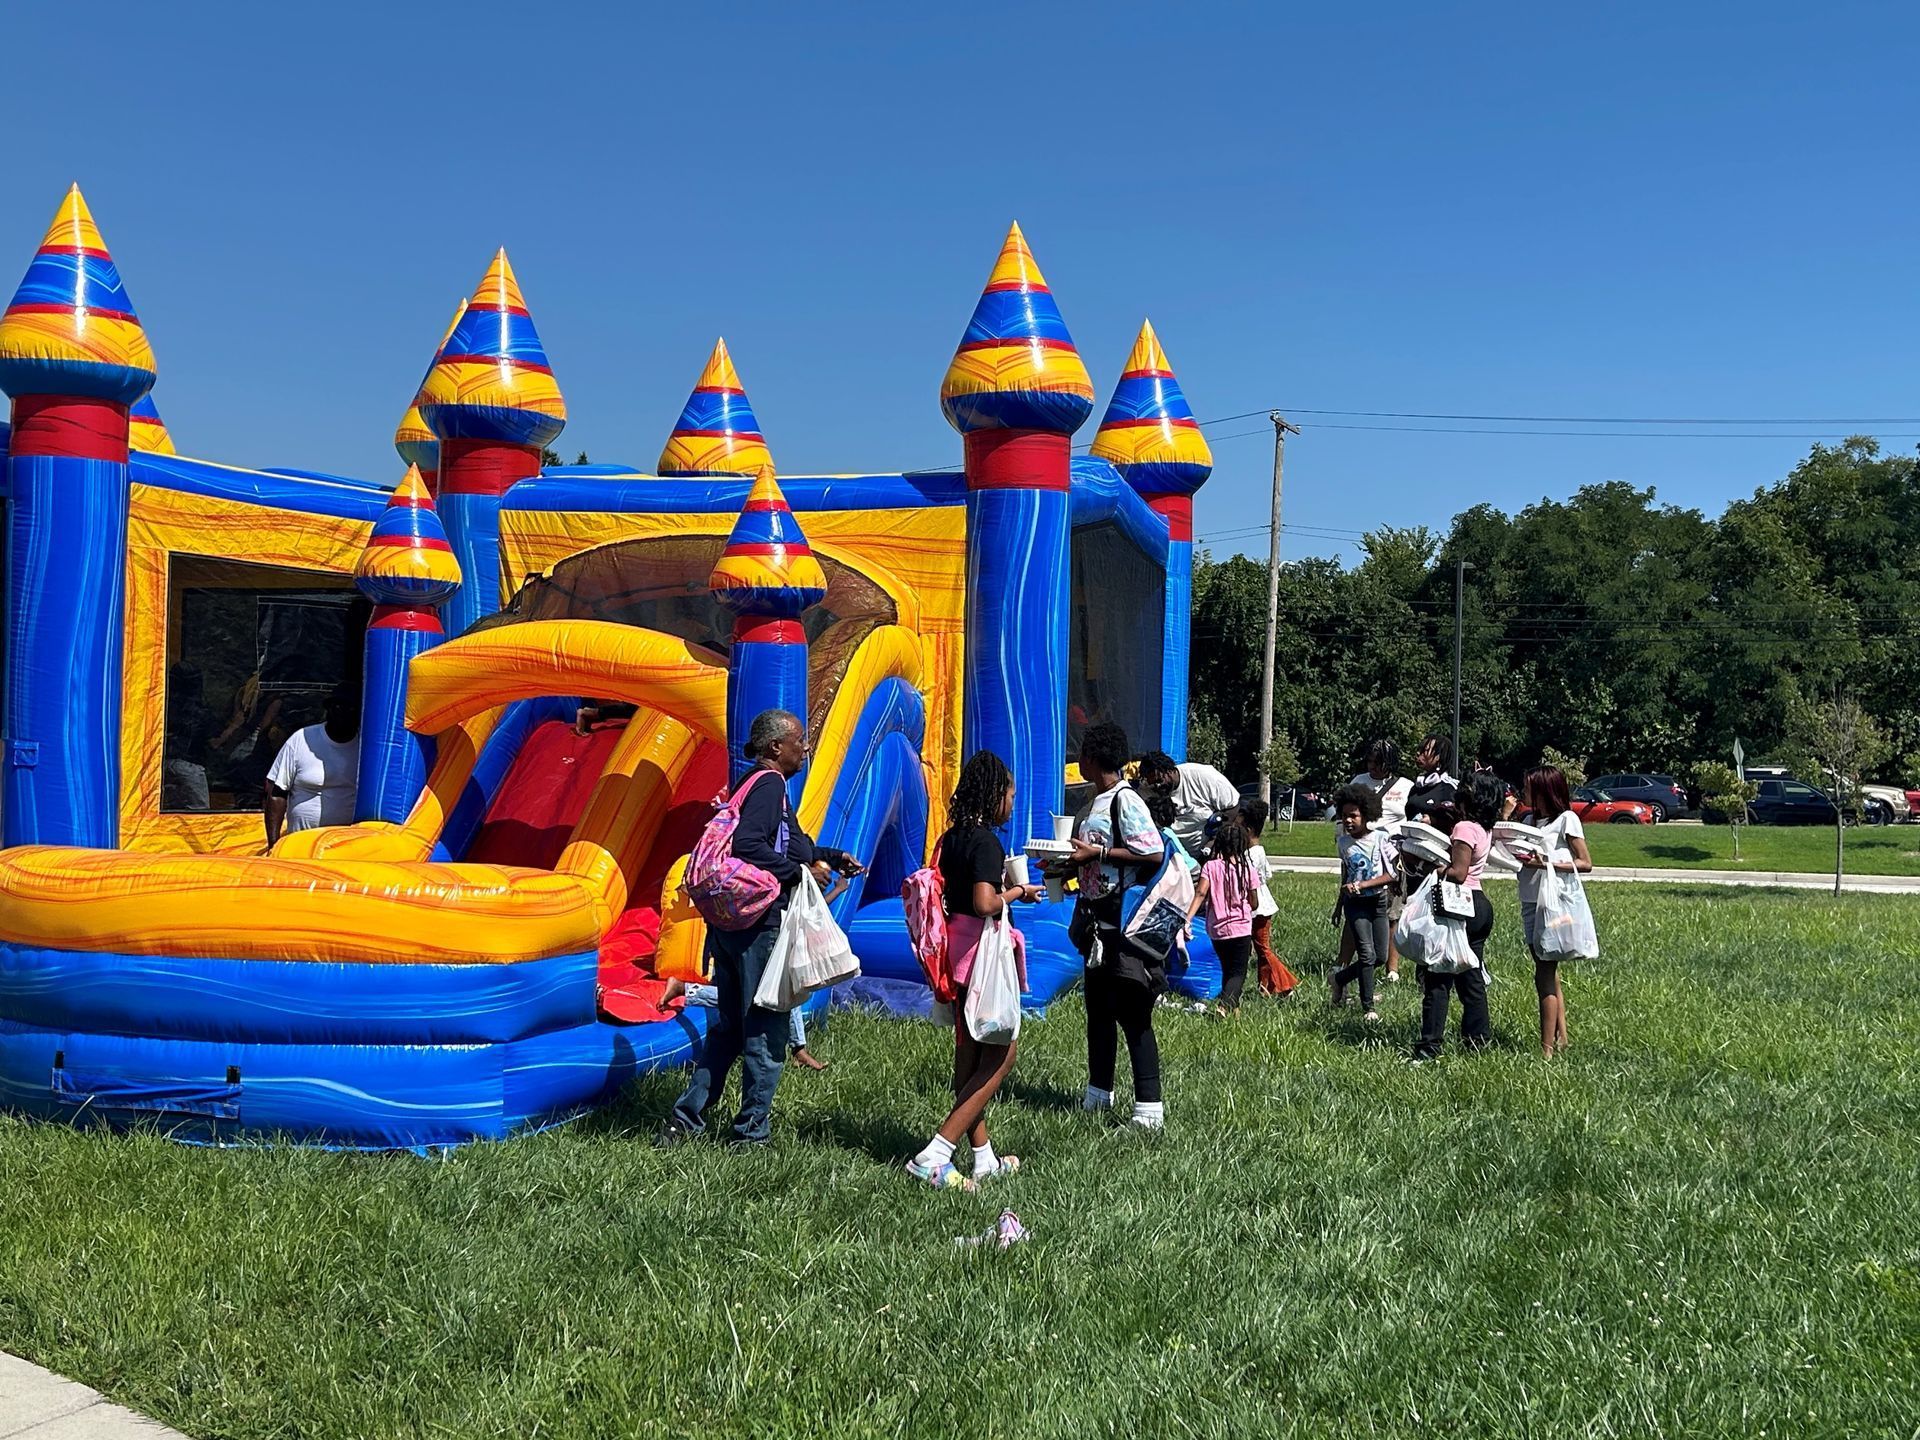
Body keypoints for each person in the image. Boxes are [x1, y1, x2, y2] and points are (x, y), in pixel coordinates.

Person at [661, 710, 863, 1147]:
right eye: (798, 741)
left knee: (730, 1027)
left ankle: (685, 1120)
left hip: (731, 928)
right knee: (766, 1027)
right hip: (760, 927)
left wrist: (829, 854)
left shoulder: (753, 784)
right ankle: (751, 1134)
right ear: (776, 747)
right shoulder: (771, 785)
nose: (805, 748)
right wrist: (798, 872)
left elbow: (788, 840)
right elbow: (751, 844)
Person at [906, 751, 1043, 1190]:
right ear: (993, 795)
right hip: (981, 957)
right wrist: (1019, 891)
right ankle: (937, 1152)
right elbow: (986, 903)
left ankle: (983, 1156)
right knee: (1001, 1055)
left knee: (969, 1056)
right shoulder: (986, 842)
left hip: (954, 954)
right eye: (1009, 794)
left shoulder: (951, 838)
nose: (1012, 802)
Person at [1064, 723, 1168, 1129]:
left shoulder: (1124, 801)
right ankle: (1098, 1093)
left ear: (1093, 759)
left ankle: (1148, 1109)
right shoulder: (1093, 802)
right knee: (1098, 1011)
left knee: (1134, 1011)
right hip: (1095, 923)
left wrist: (1100, 852)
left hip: (1121, 923)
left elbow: (1152, 853)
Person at [1411, 771, 1503, 1062]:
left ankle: (1429, 1046)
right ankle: (1478, 1040)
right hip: (1479, 906)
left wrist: (1433, 868)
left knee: (1438, 977)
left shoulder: (1464, 827)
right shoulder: (1484, 827)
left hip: (1459, 906)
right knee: (1471, 978)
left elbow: (1459, 873)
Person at [1517, 765, 1593, 1058]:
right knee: (1547, 970)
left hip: (1554, 904)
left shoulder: (1566, 820)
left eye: (1528, 787)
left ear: (1544, 790)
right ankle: (1562, 1038)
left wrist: (1545, 863)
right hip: (1529, 899)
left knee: (1544, 974)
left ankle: (1546, 1050)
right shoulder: (1527, 819)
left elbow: (1585, 862)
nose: (1524, 792)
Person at [263, 687, 360, 848]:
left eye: (350, 708)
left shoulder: (368, 748)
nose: (343, 712)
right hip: (301, 845)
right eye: (338, 706)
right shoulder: (302, 739)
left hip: (347, 848)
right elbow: (277, 793)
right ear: (328, 709)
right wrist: (273, 846)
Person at [1328, 783, 1393, 1022]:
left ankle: (1340, 979)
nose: (1348, 821)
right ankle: (1368, 1008)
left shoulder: (1380, 839)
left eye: (1353, 815)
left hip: (1378, 902)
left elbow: (1391, 874)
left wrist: (1363, 885)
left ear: (1366, 814)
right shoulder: (1344, 844)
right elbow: (1346, 875)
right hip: (1355, 905)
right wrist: (1339, 905)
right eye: (1344, 816)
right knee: (1366, 954)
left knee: (1380, 957)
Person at [1190, 808, 1260, 1016]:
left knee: (1227, 969)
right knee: (1238, 973)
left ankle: (1234, 1011)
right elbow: (1254, 902)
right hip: (1240, 927)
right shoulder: (1247, 869)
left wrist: (1188, 918)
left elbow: (1201, 893)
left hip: (1216, 928)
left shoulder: (1210, 867)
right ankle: (1225, 1005)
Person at [1237, 797, 1295, 996]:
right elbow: (1267, 875)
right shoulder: (1258, 852)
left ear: (1249, 830)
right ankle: (1265, 986)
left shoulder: (1251, 855)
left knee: (1263, 948)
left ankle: (1286, 983)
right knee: (1260, 948)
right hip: (1261, 904)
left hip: (1259, 908)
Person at [1137, 750, 1240, 854]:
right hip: (1171, 855)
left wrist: (1214, 841)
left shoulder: (1202, 776)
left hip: (1206, 852)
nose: (1157, 786)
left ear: (1169, 771)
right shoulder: (1146, 790)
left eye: (1159, 781)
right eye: (1152, 784)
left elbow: (1232, 806)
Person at [1404, 733, 1459, 826]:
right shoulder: (1417, 786)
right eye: (1419, 750)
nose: (1418, 753)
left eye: (1424, 750)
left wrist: (1434, 821)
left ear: (1438, 756)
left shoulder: (1450, 788)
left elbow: (1457, 819)